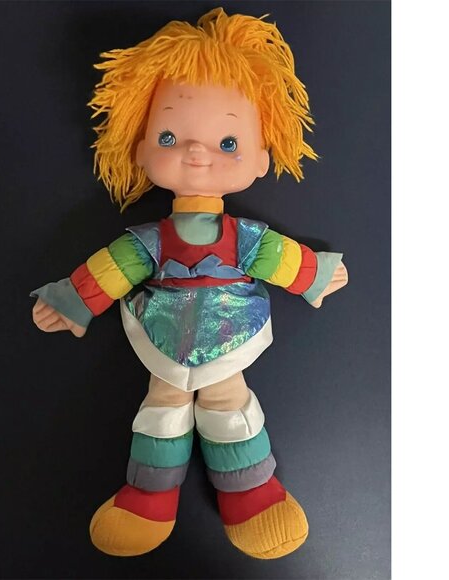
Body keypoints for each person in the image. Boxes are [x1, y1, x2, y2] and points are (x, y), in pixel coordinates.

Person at [31, 8, 348, 559]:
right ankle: (147, 497)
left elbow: (278, 256)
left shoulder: (244, 237)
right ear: (141, 148)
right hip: (161, 334)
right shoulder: (150, 240)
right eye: (170, 136)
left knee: (229, 403)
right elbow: (111, 267)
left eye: (227, 143)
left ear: (261, 159)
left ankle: (252, 494)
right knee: (162, 406)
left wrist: (314, 272)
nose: (196, 153)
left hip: (231, 332)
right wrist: (74, 300)